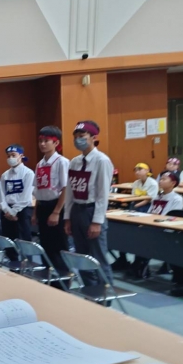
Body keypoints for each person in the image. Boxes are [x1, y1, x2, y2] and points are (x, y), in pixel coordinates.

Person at [64, 120, 114, 287]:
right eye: (76, 137)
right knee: (82, 257)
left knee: (98, 257)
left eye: (82, 136)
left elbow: (102, 194)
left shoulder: (102, 160)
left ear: (94, 137)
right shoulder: (74, 161)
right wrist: (67, 218)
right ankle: (90, 292)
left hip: (91, 211)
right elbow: (70, 191)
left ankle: (105, 295)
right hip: (77, 211)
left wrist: (97, 222)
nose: (78, 140)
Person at [130, 172, 183, 278]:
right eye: (161, 179)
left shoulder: (177, 199)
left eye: (164, 179)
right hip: (152, 226)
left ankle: (141, 265)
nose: (160, 181)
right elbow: (149, 213)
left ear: (173, 183)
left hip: (165, 230)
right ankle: (138, 265)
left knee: (145, 238)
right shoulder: (157, 196)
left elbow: (170, 217)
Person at [33, 126, 69, 273]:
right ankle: (48, 275)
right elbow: (38, 190)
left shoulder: (62, 162)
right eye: (40, 141)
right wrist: (35, 213)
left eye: (46, 141)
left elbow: (66, 188)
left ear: (56, 143)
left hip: (56, 206)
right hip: (42, 206)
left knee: (58, 245)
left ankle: (63, 279)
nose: (42, 144)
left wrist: (56, 212)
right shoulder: (39, 164)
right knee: (45, 244)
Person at [0, 144, 34, 260]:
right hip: (7, 211)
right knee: (9, 242)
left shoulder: (28, 173)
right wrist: (7, 211)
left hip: (23, 210)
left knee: (24, 241)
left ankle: (28, 265)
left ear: (21, 156)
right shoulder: (4, 175)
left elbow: (26, 197)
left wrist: (13, 212)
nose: (11, 158)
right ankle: (13, 265)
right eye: (8, 156)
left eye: (13, 155)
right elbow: (1, 196)